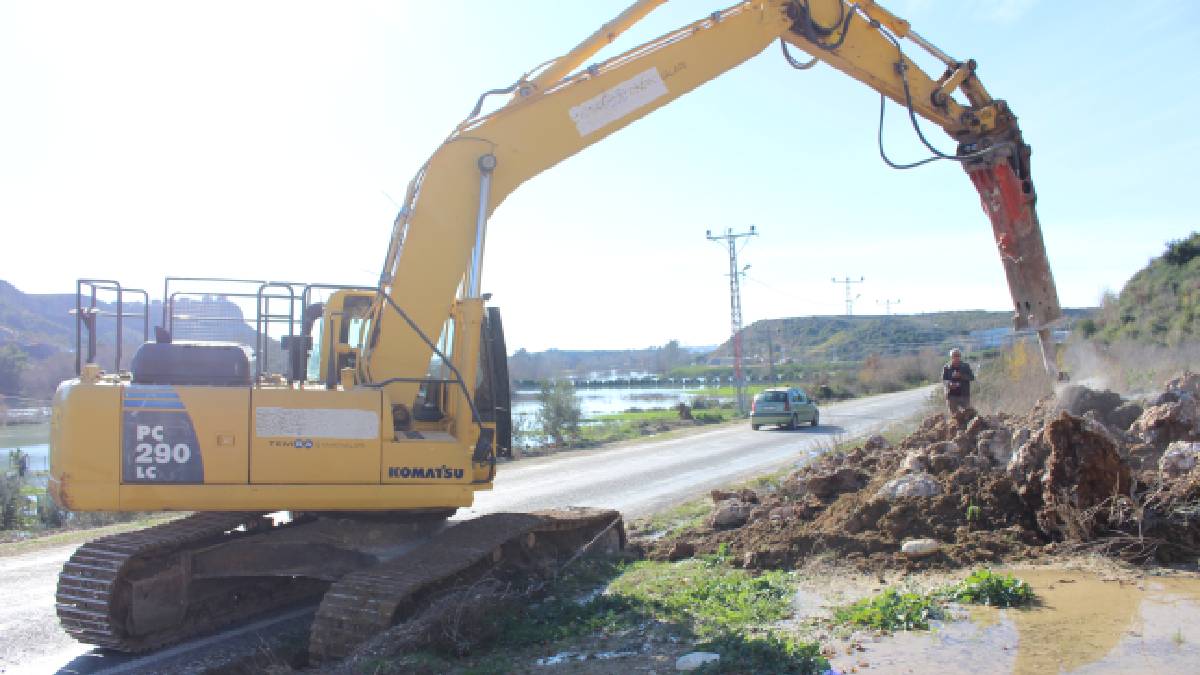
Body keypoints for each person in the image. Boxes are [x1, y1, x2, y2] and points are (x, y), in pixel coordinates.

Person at [942, 348, 974, 413]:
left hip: (964, 395)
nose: (956, 357)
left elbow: (971, 377)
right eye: (954, 356)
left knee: (968, 414)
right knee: (954, 417)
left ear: (960, 356)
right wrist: (949, 384)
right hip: (951, 396)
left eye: (957, 356)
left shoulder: (965, 366)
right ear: (951, 357)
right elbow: (944, 380)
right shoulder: (946, 367)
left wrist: (961, 376)